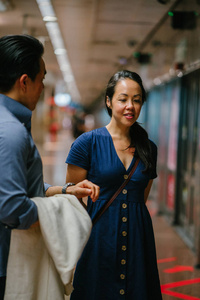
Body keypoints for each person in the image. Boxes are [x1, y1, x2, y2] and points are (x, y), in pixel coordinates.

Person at [0, 34, 99, 300]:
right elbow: (11, 209)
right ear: (24, 82)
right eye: (41, 79)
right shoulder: (10, 132)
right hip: (5, 261)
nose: (43, 87)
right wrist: (56, 210)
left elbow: (12, 185)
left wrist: (64, 191)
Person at [65, 70, 163, 299]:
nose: (130, 106)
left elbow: (141, 197)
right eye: (123, 99)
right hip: (99, 239)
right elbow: (72, 199)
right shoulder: (87, 143)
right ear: (109, 101)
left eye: (137, 100)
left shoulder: (149, 148)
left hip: (139, 239)